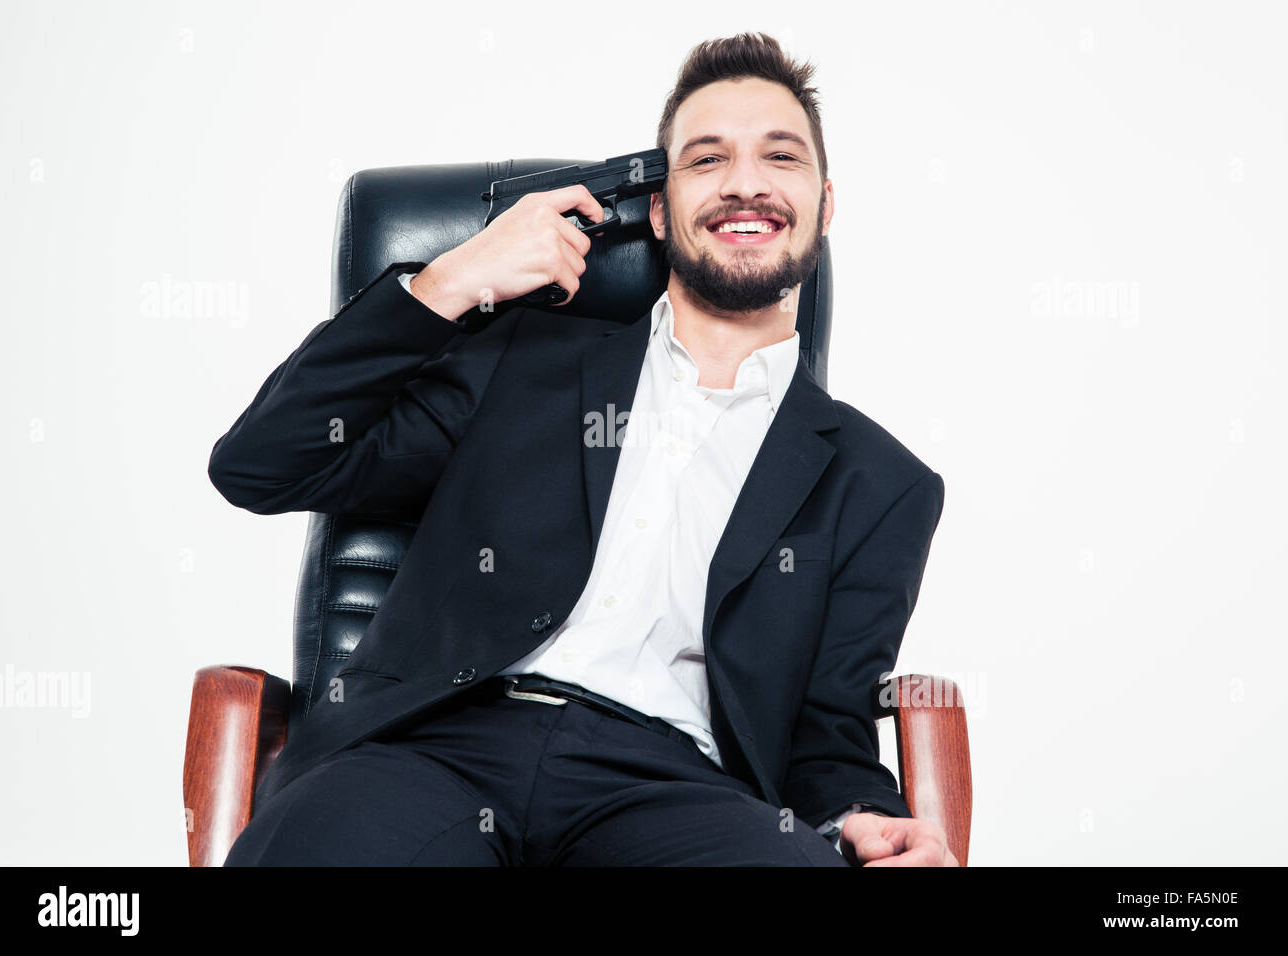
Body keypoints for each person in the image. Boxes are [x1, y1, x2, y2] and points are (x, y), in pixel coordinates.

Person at [210, 32, 954, 866]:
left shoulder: (881, 484)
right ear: (663, 213)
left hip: (676, 792)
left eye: (779, 157)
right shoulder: (522, 361)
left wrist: (857, 814)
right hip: (432, 753)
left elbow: (827, 734)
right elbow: (263, 463)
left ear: (824, 202)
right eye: (707, 160)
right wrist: (450, 282)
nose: (745, 182)